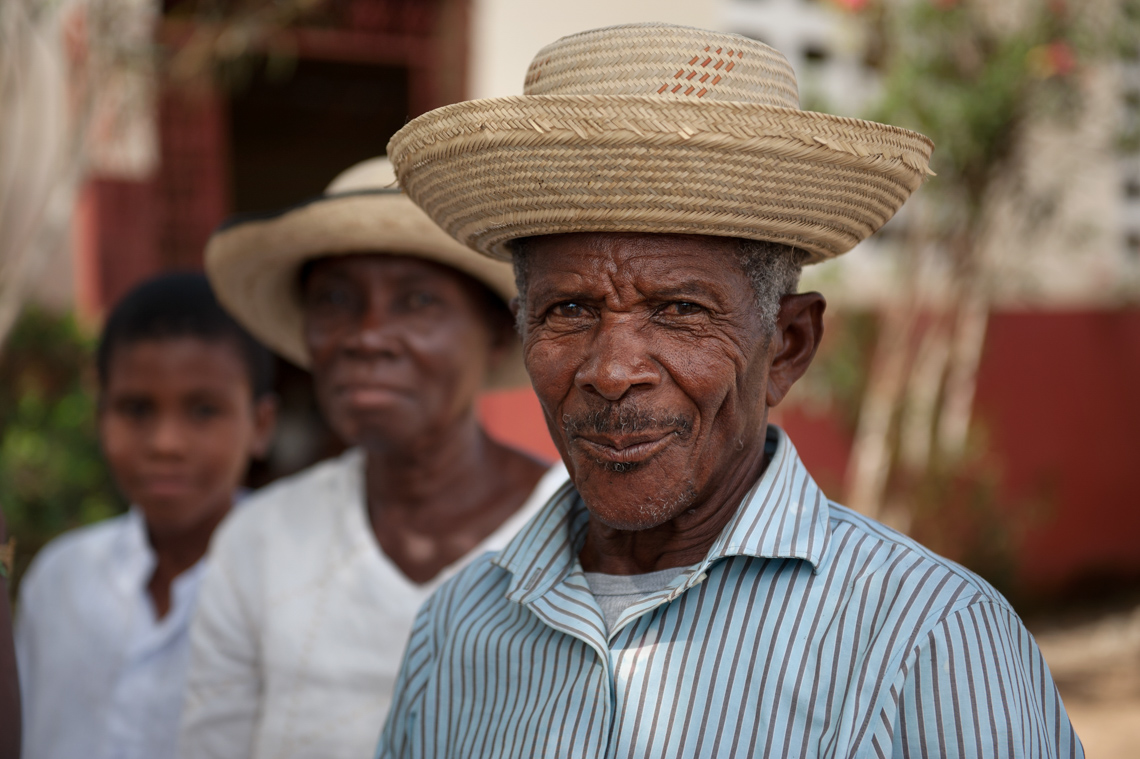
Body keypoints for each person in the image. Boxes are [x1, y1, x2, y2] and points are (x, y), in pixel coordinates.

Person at [377, 23, 1083, 758]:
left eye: (680, 309)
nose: (612, 372)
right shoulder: (457, 629)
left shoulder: (927, 637)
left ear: (788, 345)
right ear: (522, 329)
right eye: (570, 310)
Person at [179, 158, 568, 759]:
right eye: (335, 299)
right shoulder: (261, 539)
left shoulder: (584, 536)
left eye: (417, 300)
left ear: (499, 332)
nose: (366, 335)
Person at [14, 272, 277, 759]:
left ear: (260, 425)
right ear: (100, 416)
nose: (165, 444)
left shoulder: (291, 588)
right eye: (136, 410)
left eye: (203, 411)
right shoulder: (61, 580)